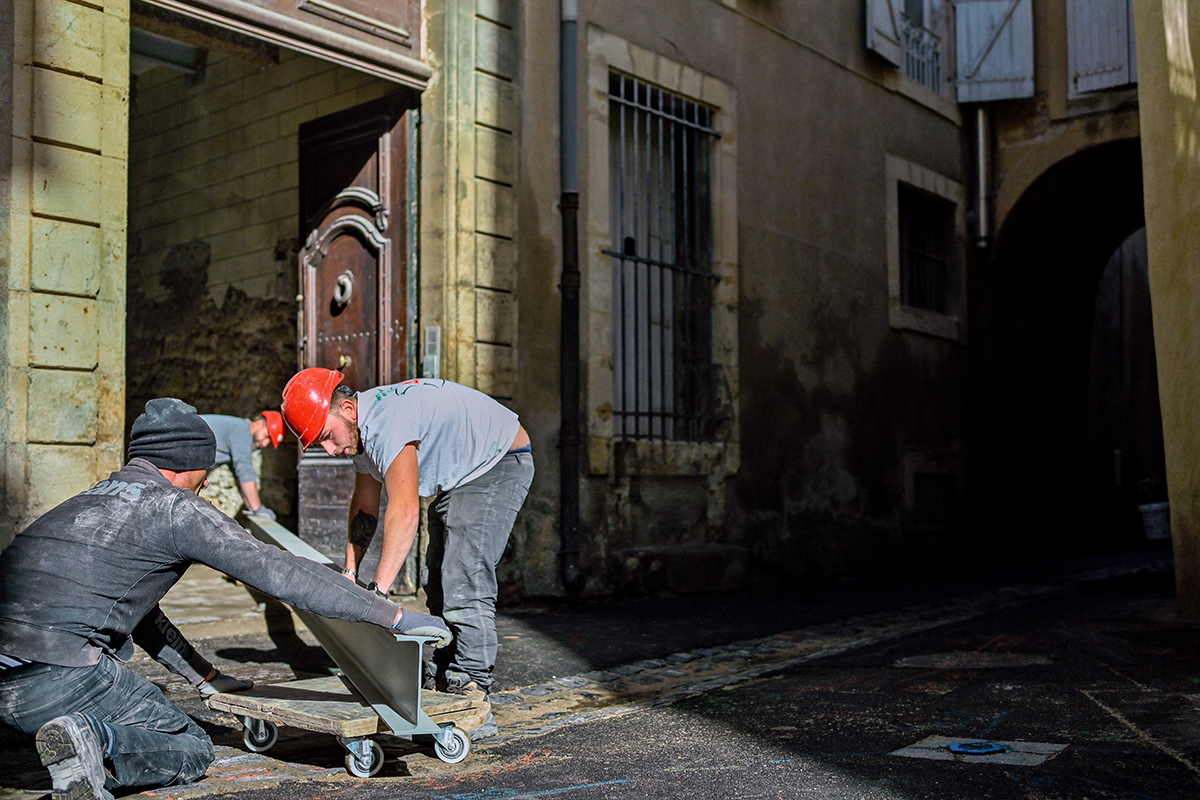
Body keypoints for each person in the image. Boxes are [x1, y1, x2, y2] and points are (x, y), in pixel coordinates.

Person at [0, 398, 450, 800]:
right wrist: (391, 616)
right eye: (206, 471)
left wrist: (206, 677)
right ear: (188, 464)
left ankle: (65, 731)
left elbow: (136, 613)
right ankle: (93, 744)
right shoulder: (177, 509)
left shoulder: (88, 498)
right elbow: (280, 571)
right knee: (189, 746)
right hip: (54, 677)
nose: (207, 484)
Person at [280, 369, 534, 738]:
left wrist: (377, 597)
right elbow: (366, 507)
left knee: (463, 576)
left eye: (327, 437)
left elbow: (404, 510)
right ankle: (447, 672)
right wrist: (350, 575)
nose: (331, 450)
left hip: (498, 464)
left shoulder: (386, 424)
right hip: (465, 474)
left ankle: (473, 690)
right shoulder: (360, 435)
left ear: (348, 408)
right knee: (435, 578)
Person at [199, 411, 285, 520]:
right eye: (267, 436)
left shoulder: (240, 431)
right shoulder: (243, 432)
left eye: (269, 442)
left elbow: (239, 478)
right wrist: (257, 509)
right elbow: (245, 472)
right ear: (258, 424)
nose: (264, 444)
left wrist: (249, 504)